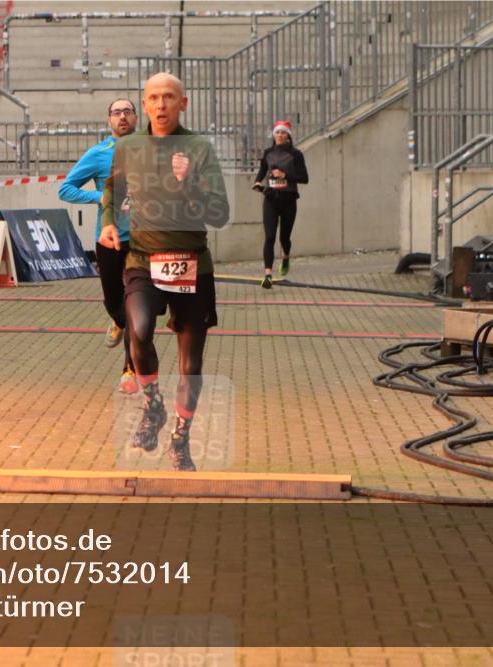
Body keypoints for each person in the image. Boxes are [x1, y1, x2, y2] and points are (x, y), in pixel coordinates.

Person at [99, 72, 229, 471]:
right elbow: (112, 191)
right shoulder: (129, 147)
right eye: (153, 97)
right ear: (145, 101)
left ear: (183, 103)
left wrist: (187, 181)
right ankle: (153, 408)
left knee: (191, 364)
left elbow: (220, 215)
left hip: (192, 264)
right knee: (138, 331)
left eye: (169, 97)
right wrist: (107, 221)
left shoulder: (199, 148)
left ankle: (180, 437)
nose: (160, 105)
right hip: (142, 261)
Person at [58, 99, 139, 394]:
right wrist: (98, 198)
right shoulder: (99, 154)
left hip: (143, 239)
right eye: (116, 113)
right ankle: (117, 321)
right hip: (109, 238)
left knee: (135, 307)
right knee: (113, 302)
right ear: (109, 121)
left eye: (127, 112)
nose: (122, 117)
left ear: (136, 117)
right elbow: (65, 189)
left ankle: (129, 370)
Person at [252, 120, 308, 289]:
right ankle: (267, 275)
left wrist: (285, 174)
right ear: (274, 135)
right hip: (270, 199)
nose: (280, 135)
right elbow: (263, 170)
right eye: (277, 132)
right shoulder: (268, 153)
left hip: (288, 199)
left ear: (288, 136)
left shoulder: (296, 154)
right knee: (269, 237)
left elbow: (304, 178)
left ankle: (285, 257)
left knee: (284, 238)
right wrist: (257, 182)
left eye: (283, 133)